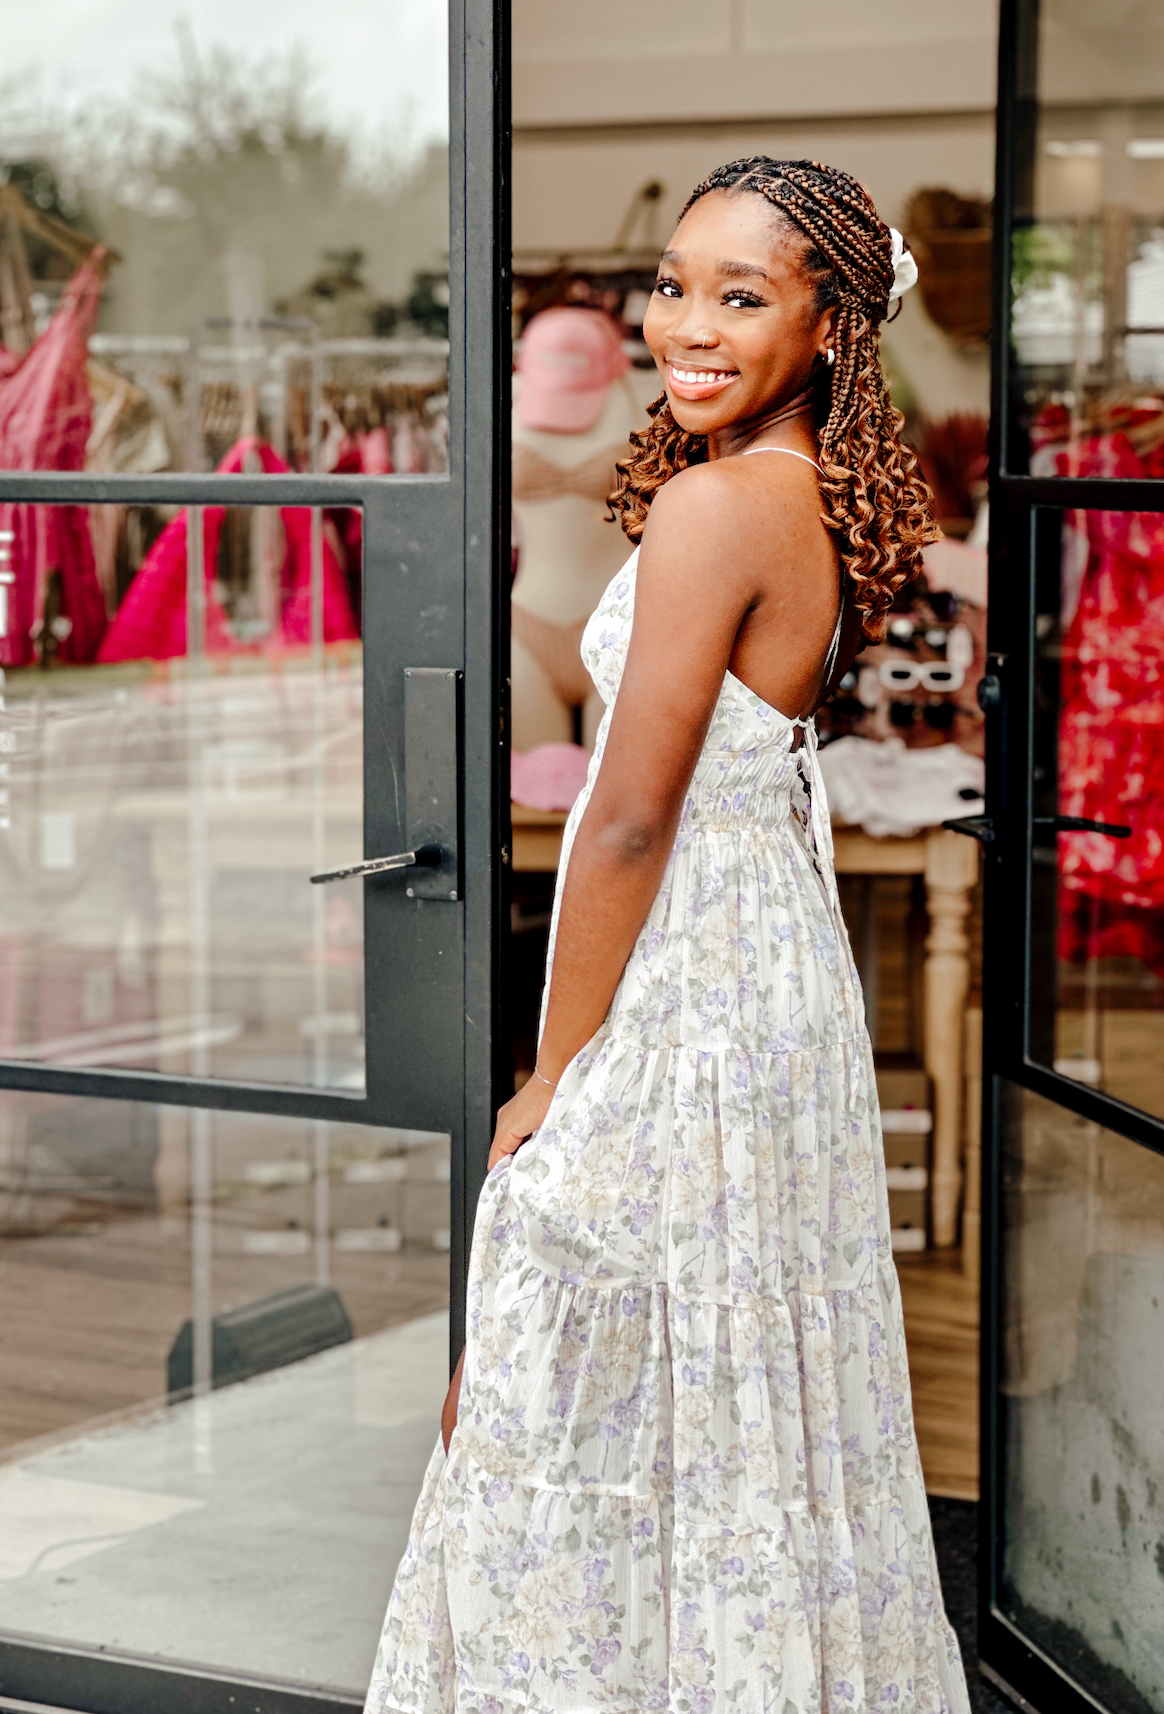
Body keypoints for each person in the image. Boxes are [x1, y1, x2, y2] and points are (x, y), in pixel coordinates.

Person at [365, 157, 970, 1714]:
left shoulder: (719, 506)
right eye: (673, 284)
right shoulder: (787, 497)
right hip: (762, 977)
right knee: (730, 1380)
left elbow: (628, 821)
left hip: (691, 990)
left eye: (743, 295)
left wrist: (549, 1074)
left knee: (558, 1355)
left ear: (833, 325)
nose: (685, 326)